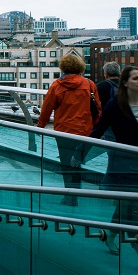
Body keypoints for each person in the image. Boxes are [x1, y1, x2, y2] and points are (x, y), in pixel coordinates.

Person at [89, 66, 138, 270]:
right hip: (121, 163)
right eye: (136, 78)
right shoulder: (115, 104)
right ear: (125, 82)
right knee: (132, 209)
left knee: (126, 207)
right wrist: (80, 150)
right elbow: (99, 129)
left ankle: (110, 235)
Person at [36, 53, 101, 205]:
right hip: (85, 131)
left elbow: (46, 108)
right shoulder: (89, 84)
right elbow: (97, 108)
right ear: (80, 66)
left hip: (64, 131)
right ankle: (76, 193)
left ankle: (70, 196)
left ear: (63, 67)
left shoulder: (57, 85)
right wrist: (97, 128)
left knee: (66, 164)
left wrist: (40, 126)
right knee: (77, 161)